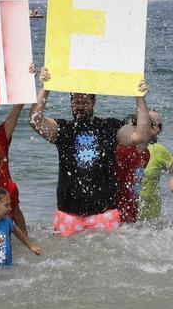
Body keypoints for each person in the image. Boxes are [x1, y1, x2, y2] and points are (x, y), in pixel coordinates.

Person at [28, 67, 153, 237]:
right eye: (76, 102)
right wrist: (46, 86)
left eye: (85, 102)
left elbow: (142, 135)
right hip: (68, 213)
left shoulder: (109, 127)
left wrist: (140, 98)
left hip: (104, 213)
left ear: (94, 103)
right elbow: (35, 121)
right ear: (71, 102)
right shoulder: (63, 129)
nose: (80, 107)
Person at [115, 112, 161, 224]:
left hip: (132, 210)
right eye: (157, 125)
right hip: (116, 211)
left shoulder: (146, 154)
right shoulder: (123, 150)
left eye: (160, 126)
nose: (160, 130)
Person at [139, 110, 173, 221]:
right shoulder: (157, 149)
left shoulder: (158, 150)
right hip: (144, 213)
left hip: (149, 214)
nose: (161, 129)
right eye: (159, 125)